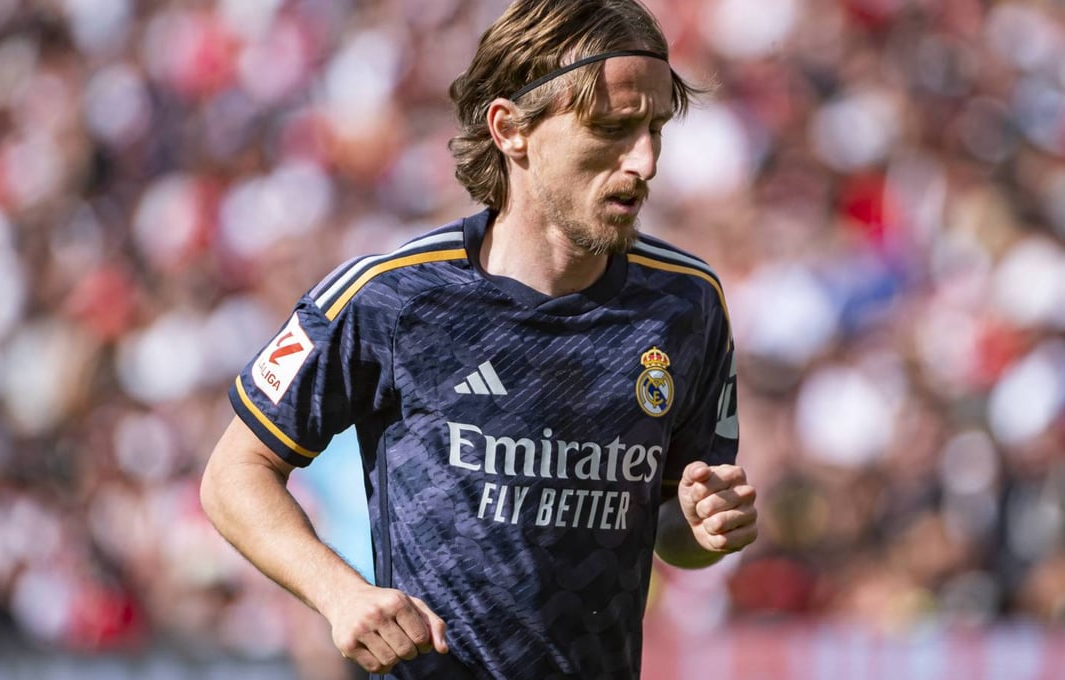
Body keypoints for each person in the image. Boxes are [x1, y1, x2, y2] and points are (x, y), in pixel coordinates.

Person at [200, 0, 759, 677]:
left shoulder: (687, 303)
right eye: (612, 128)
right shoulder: (390, 296)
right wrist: (340, 594)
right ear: (511, 129)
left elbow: (675, 530)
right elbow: (234, 475)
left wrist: (703, 526)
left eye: (654, 129)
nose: (644, 161)